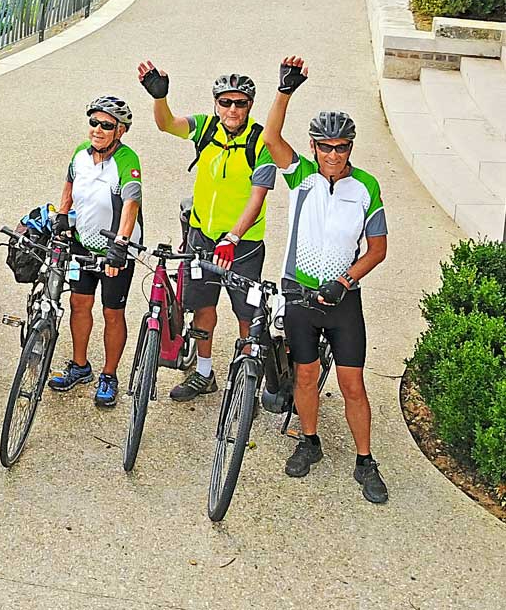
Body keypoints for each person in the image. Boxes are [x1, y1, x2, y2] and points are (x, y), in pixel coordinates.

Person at [260, 57, 389, 504]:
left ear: (350, 148)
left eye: (342, 148)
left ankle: (365, 460)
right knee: (306, 375)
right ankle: (309, 441)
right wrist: (285, 90)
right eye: (325, 147)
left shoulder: (366, 187)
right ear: (314, 149)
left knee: (353, 383)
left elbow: (377, 249)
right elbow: (271, 138)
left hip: (341, 301)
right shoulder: (302, 179)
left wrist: (347, 280)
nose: (333, 155)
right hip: (300, 295)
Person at [135, 62, 276, 401]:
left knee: (246, 315)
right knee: (203, 308)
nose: (231, 109)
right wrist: (160, 97)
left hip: (243, 245)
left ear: (250, 106)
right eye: (225, 102)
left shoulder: (261, 143)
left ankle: (245, 384)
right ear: (216, 103)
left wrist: (234, 237)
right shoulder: (206, 128)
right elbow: (167, 124)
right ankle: (203, 373)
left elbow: (257, 199)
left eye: (239, 103)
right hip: (202, 237)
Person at [45, 96, 142, 408]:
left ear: (120, 131)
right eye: (94, 123)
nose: (98, 129)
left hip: (116, 249)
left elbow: (131, 204)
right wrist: (62, 215)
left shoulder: (127, 161)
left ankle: (109, 375)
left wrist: (120, 245)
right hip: (83, 243)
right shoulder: (80, 154)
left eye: (107, 125)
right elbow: (69, 183)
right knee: (78, 304)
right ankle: (79, 365)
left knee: (112, 313)